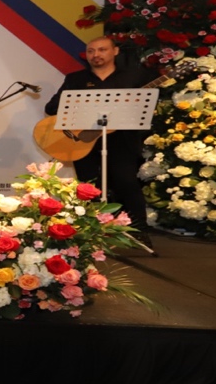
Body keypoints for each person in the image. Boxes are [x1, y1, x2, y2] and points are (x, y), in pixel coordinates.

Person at [44, 35, 152, 238]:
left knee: (127, 183)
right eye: (91, 51)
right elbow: (51, 108)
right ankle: (90, 233)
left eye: (102, 50)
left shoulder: (134, 77)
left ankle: (139, 233)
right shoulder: (76, 79)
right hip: (84, 142)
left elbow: (147, 105)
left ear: (115, 51)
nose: (96, 55)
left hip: (123, 141)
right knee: (88, 188)